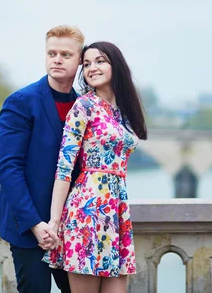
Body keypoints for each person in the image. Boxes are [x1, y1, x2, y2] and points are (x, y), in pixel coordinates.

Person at [42, 41, 148, 293]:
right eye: (87, 64)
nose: (92, 68)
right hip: (86, 213)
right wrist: (54, 222)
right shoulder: (83, 106)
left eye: (100, 61)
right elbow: (65, 166)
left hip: (116, 214)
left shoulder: (123, 111)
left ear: (116, 66)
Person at [0, 25, 85, 293]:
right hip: (28, 229)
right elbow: (8, 169)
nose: (57, 59)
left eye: (65, 55)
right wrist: (36, 224)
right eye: (51, 53)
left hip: (71, 229)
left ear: (80, 60)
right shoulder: (21, 102)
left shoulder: (83, 105)